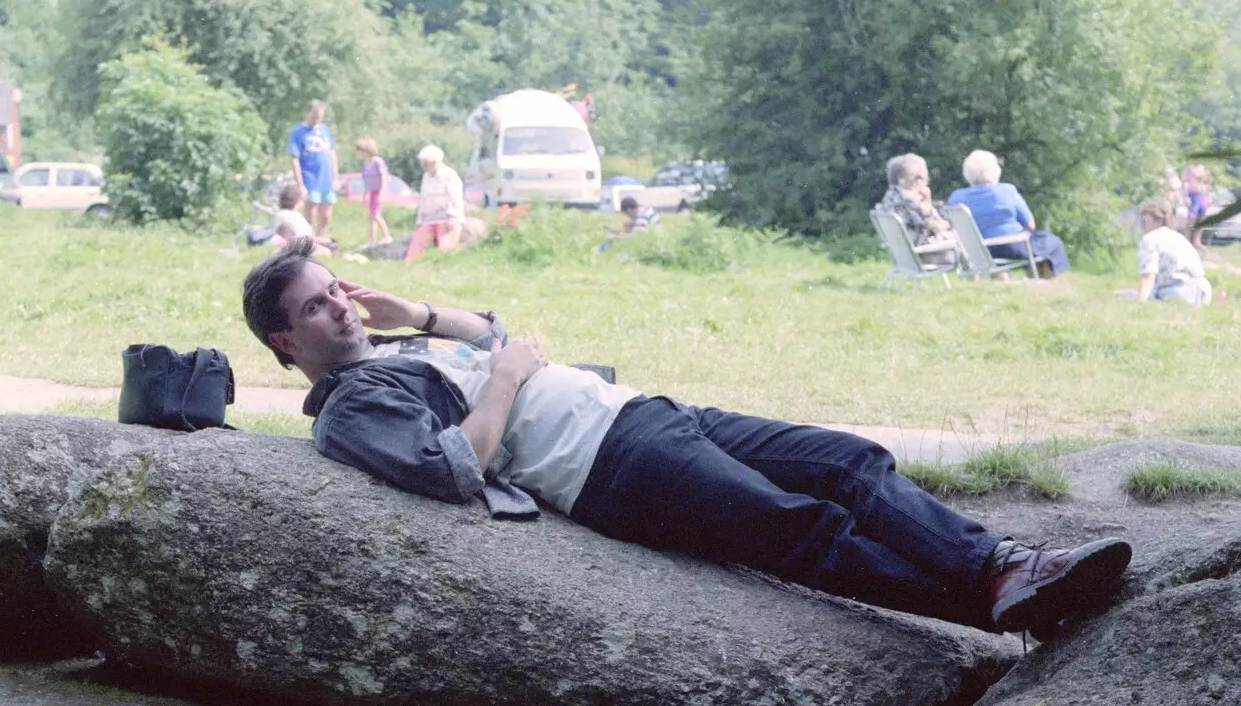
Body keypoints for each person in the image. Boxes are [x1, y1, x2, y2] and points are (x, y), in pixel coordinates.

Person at [240, 237, 1133, 638]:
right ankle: (989, 613)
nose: (340, 309)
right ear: (286, 343)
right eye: (315, 307)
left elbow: (497, 332)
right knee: (805, 528)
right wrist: (508, 374)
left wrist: (424, 311)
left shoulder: (391, 347)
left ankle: (1005, 566)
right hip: (611, 465)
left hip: (647, 417)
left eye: (338, 290)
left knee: (848, 462)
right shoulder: (352, 409)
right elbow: (452, 467)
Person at [947, 150, 1069, 277]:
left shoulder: (956, 197)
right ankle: (1044, 284)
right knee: (1052, 243)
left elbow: (953, 228)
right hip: (1012, 247)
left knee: (1036, 246)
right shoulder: (1006, 191)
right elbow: (1030, 224)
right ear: (994, 171)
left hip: (979, 251)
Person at [876, 154, 956, 266]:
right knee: (961, 234)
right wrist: (952, 224)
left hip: (903, 256)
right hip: (922, 255)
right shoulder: (909, 201)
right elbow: (934, 226)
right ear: (901, 180)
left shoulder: (890, 197)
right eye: (918, 177)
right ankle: (976, 274)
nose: (924, 181)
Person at [1134, 200, 1212, 306]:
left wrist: (1140, 304)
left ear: (1159, 221)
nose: (1141, 226)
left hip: (1177, 292)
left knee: (1125, 297)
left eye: (1144, 221)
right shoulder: (1178, 237)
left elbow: (1148, 275)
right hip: (1203, 291)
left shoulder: (1150, 239)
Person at [406, 144, 465, 263]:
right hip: (429, 220)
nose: (423, 166)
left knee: (444, 254)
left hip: (446, 218)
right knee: (413, 254)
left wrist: (453, 217)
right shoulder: (426, 177)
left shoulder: (449, 175)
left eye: (425, 163)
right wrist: (419, 221)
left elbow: (455, 197)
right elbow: (423, 200)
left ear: (434, 162)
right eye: (422, 163)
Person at [289, 100, 338, 240]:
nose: (317, 120)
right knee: (310, 216)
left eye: (320, 117)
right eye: (315, 116)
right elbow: (294, 159)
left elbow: (332, 153)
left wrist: (335, 176)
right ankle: (308, 243)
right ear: (308, 113)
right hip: (310, 179)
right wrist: (300, 184)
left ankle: (322, 240)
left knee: (326, 216)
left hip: (326, 179)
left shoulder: (324, 130)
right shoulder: (298, 132)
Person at [356, 136, 393, 246]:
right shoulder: (364, 165)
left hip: (379, 191)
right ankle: (372, 241)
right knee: (372, 217)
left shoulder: (377, 161)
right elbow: (366, 181)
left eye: (360, 150)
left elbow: (384, 177)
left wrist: (383, 192)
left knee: (376, 215)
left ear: (366, 150)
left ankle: (387, 236)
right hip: (371, 192)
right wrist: (365, 195)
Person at [1183, 164, 1213, 248]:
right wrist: (1186, 196)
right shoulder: (1189, 167)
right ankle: (1186, 239)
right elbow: (1185, 182)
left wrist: (1210, 196)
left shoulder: (1203, 167)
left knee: (1202, 219)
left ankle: (1197, 241)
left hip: (1203, 195)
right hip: (1193, 195)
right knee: (1191, 218)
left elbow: (1208, 182)